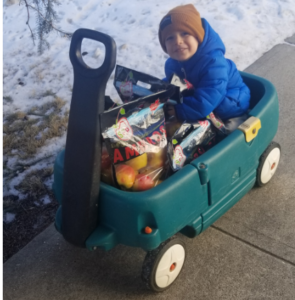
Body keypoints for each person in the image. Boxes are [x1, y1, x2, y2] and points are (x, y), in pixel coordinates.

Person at [158, 4, 250, 131]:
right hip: (200, 102)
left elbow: (208, 99)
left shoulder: (213, 63)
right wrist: (157, 93)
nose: (177, 41)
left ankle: (233, 137)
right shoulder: (171, 64)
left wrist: (179, 110)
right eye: (170, 38)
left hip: (230, 101)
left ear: (198, 37)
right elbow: (174, 84)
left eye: (185, 33)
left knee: (227, 132)